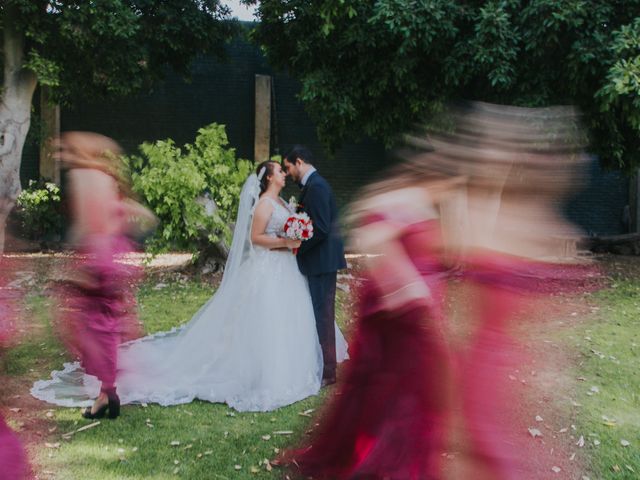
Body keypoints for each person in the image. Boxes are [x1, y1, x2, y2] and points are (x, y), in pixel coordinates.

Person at [33, 160, 347, 413]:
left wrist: (294, 236)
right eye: (279, 169)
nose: (284, 171)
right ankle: (265, 372)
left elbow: (290, 228)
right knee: (267, 319)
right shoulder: (265, 203)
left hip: (285, 270)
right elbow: (255, 238)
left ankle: (298, 365)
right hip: (270, 269)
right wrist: (285, 241)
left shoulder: (280, 200)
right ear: (268, 178)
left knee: (291, 318)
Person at [283, 146, 347, 386]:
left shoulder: (317, 187)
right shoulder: (312, 186)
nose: (288, 173)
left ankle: (328, 372)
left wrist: (297, 247)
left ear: (299, 162)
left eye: (288, 167)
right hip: (319, 262)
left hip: (321, 263)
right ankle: (323, 366)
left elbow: (320, 229)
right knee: (320, 315)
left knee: (323, 316)